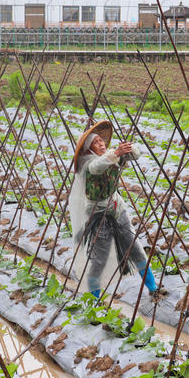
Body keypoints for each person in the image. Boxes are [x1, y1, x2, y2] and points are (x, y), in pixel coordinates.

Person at [69, 120, 164, 299]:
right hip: (98, 215)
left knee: (135, 248)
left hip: (117, 208)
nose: (101, 143)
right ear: (89, 149)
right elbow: (97, 167)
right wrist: (116, 153)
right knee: (99, 259)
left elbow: (135, 155)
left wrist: (129, 148)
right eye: (96, 143)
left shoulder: (112, 155)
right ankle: (95, 299)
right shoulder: (88, 163)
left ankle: (153, 287)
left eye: (101, 141)